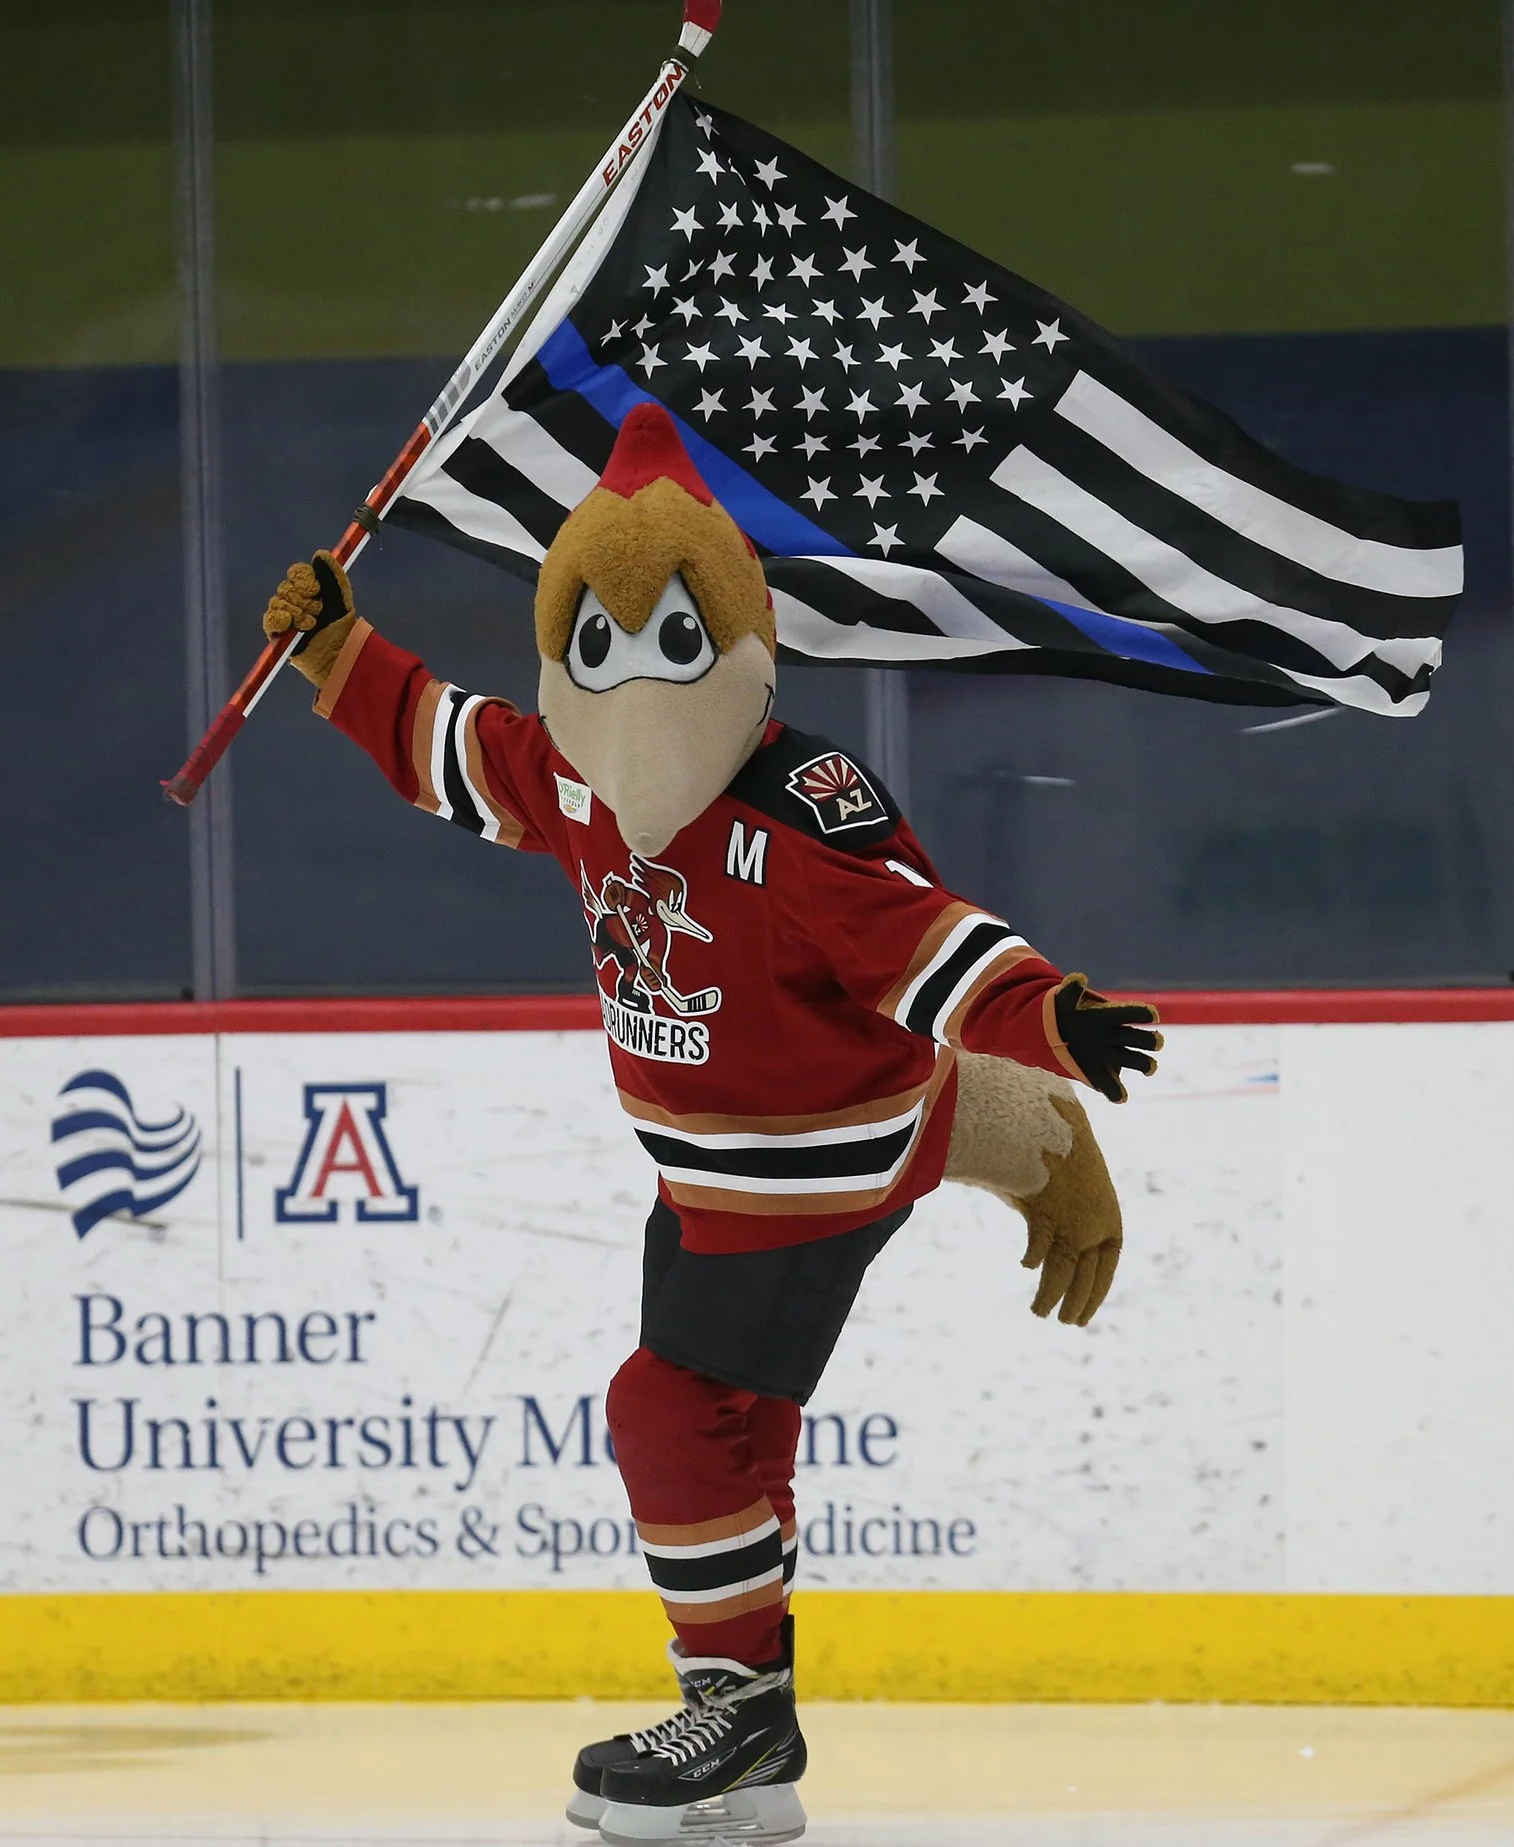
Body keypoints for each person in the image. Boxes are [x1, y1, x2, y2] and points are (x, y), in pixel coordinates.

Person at [261, 403, 1161, 1846]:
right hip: (709, 1172)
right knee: (740, 1432)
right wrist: (337, 652)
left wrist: (1052, 1013)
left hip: (814, 1171)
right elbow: (458, 753)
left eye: (670, 641)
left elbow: (925, 942)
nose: (628, 688)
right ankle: (756, 1746)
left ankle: (737, 1705)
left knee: (665, 1410)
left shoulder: (798, 811)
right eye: (594, 648)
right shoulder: (575, 778)